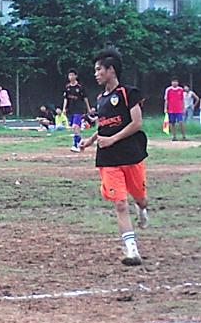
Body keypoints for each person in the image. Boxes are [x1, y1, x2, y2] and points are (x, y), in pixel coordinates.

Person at [79, 48, 149, 267]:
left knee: (140, 198)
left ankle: (142, 208)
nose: (96, 74)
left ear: (111, 70)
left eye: (99, 69)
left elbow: (137, 123)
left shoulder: (129, 93)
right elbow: (103, 127)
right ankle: (132, 250)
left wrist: (113, 139)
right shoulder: (101, 99)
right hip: (108, 159)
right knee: (120, 204)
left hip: (131, 155)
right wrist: (90, 141)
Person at [62, 69, 91, 153]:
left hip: (79, 109)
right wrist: (64, 108)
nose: (71, 77)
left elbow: (85, 98)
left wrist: (88, 108)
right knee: (74, 127)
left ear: (76, 76)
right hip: (70, 109)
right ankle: (80, 140)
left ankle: (76, 145)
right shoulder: (67, 87)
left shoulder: (80, 87)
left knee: (75, 126)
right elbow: (65, 99)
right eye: (69, 75)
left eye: (72, 75)